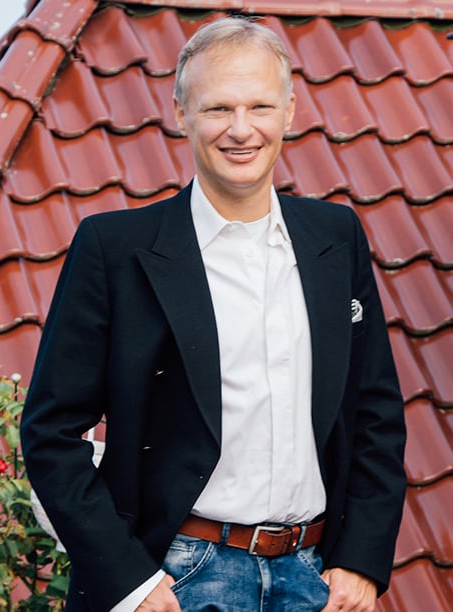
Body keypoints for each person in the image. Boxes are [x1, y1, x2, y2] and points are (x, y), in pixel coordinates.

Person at [20, 17, 406, 612]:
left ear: (290, 111)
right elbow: (50, 434)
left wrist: (362, 560)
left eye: (260, 106)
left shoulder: (337, 239)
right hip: (178, 579)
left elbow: (375, 409)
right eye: (218, 108)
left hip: (314, 579)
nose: (241, 129)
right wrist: (132, 583)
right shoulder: (114, 249)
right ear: (180, 112)